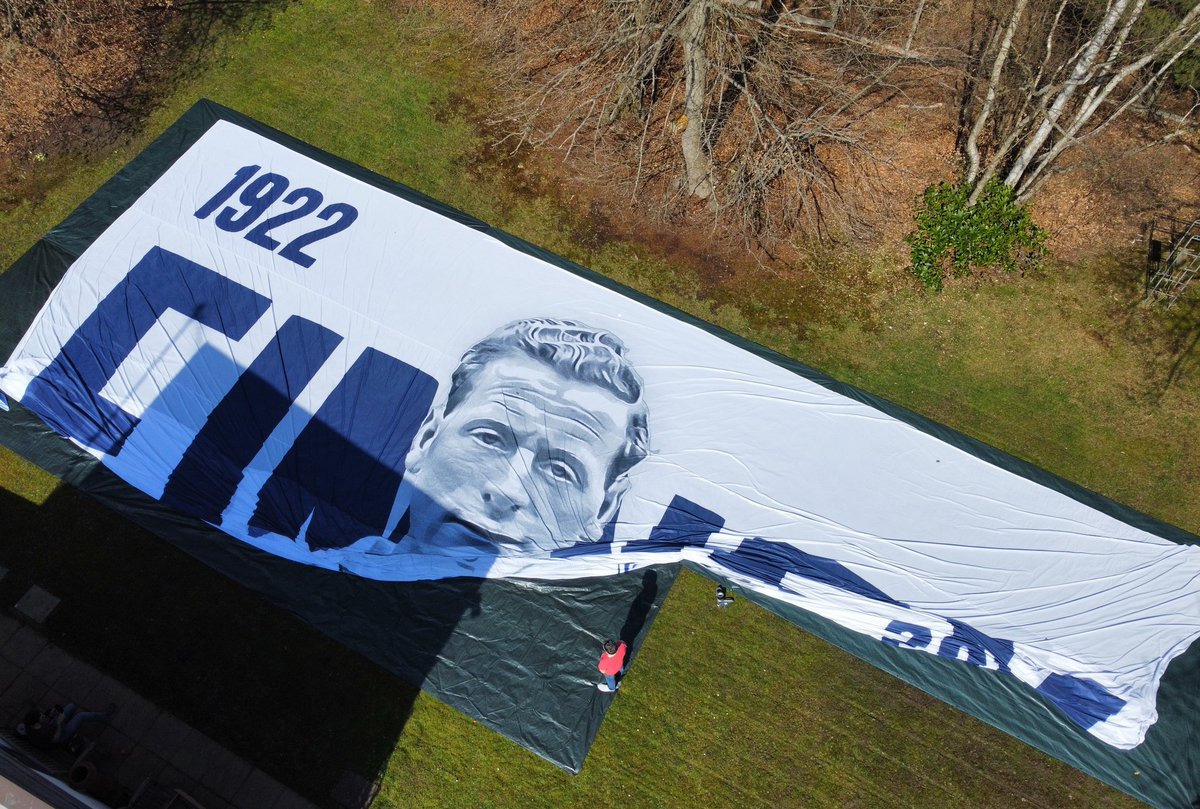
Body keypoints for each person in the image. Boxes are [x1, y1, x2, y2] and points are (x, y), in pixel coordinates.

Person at [335, 317, 650, 567]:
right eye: (488, 438)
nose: (506, 491)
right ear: (427, 438)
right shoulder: (318, 576)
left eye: (560, 470)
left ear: (605, 508)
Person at [16, 702, 113, 750]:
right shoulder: (42, 734)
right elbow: (56, 739)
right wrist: (59, 723)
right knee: (81, 716)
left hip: (51, 728)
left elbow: (45, 722)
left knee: (71, 706)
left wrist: (51, 715)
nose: (43, 715)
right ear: (36, 722)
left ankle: (70, 721)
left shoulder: (30, 725)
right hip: (60, 736)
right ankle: (104, 716)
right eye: (41, 716)